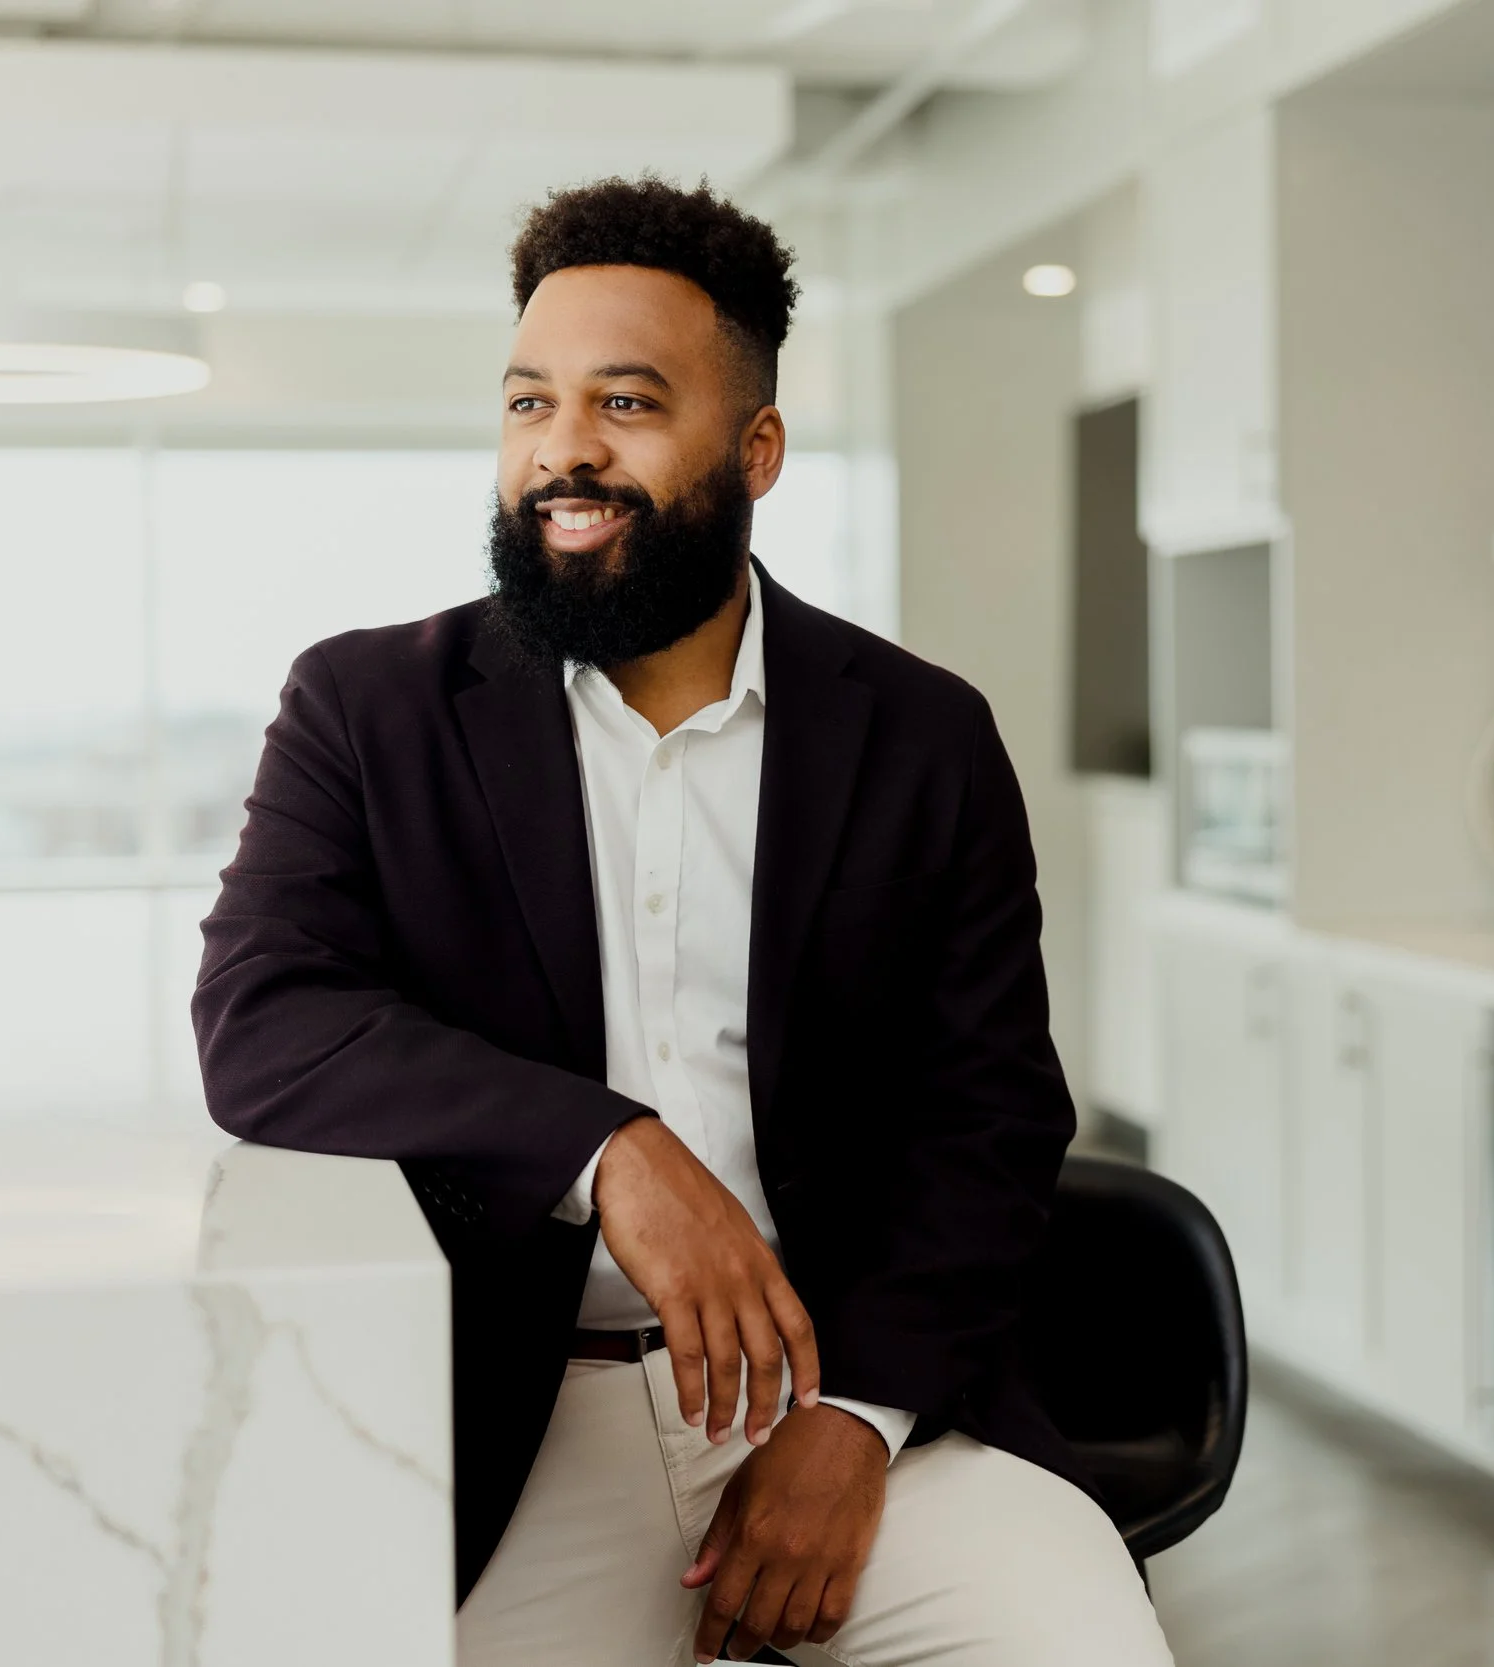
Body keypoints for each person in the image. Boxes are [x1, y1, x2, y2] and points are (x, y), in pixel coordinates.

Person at [193, 175, 1176, 1667]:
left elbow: (989, 1117)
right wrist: (607, 1148)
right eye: (530, 403)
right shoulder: (366, 706)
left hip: (852, 1400)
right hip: (518, 1424)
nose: (562, 449)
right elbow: (264, 1021)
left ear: (756, 446)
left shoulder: (923, 736)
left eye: (627, 402)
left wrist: (857, 1419)